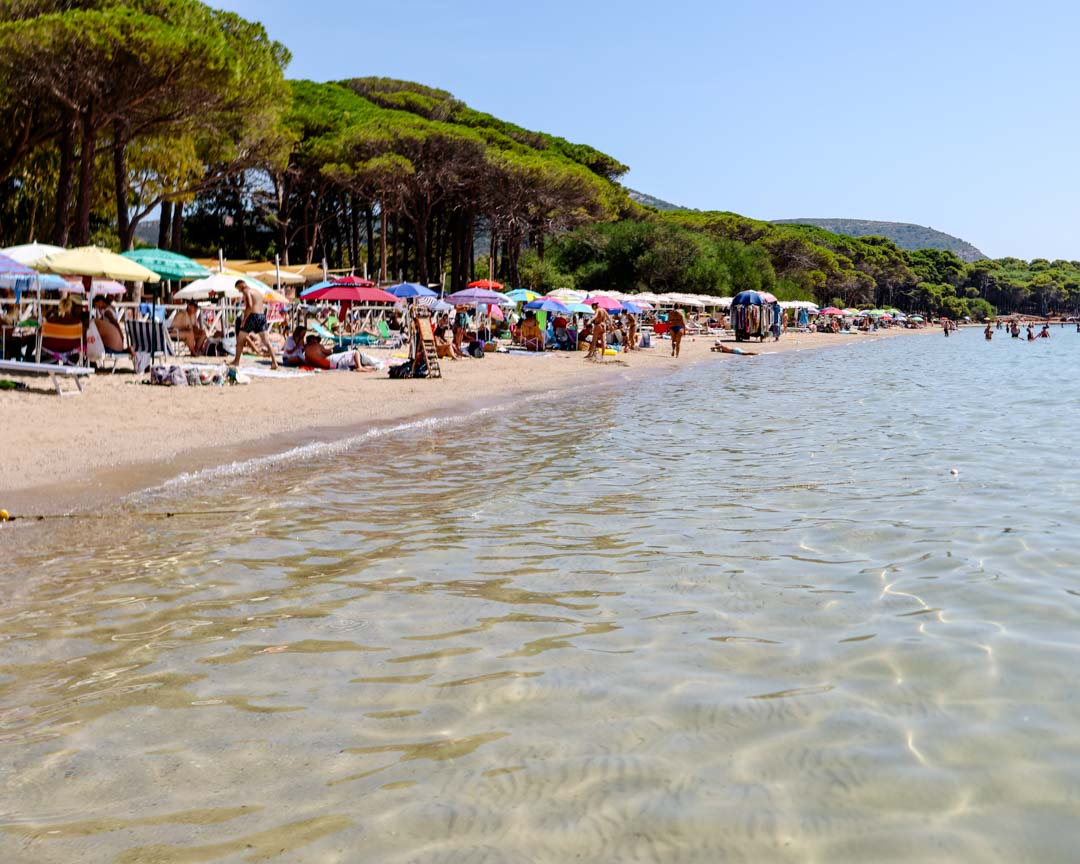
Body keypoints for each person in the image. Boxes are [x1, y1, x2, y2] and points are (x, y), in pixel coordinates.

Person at [229, 279, 278, 369]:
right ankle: (274, 362)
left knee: (240, 339)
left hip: (252, 316)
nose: (239, 291)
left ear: (241, 285)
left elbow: (249, 306)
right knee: (266, 341)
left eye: (238, 289)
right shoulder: (257, 291)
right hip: (261, 316)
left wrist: (244, 320)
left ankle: (236, 361)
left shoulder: (246, 290)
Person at [302, 334, 380, 371]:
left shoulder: (306, 352)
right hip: (331, 361)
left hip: (327, 366)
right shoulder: (317, 346)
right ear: (313, 340)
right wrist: (333, 350)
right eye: (317, 340)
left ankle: (362, 367)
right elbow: (328, 352)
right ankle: (360, 367)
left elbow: (308, 363)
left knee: (350, 360)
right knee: (355, 352)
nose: (318, 341)